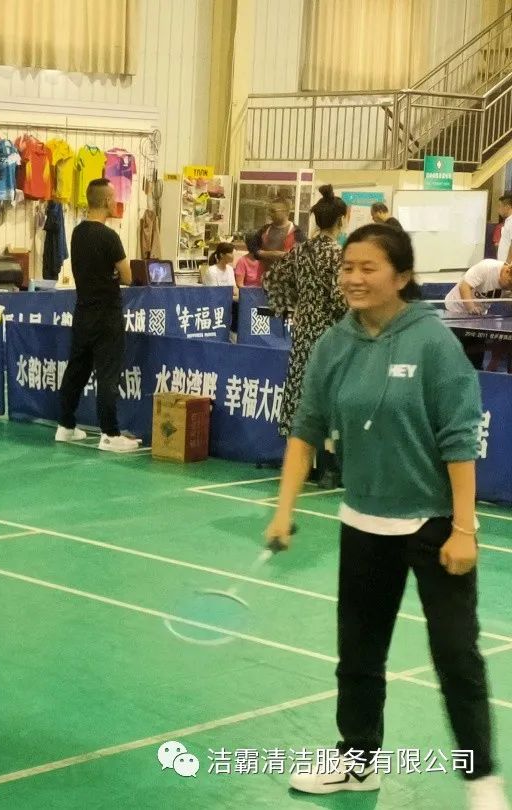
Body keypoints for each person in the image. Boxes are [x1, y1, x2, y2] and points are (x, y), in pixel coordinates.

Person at [266, 223, 507, 810]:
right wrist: (283, 510)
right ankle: (358, 764)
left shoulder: (433, 343)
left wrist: (465, 529)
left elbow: (459, 439)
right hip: (363, 522)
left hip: (433, 526)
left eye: (368, 267)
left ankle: (481, 780)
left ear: (402, 277)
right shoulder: (334, 345)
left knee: (456, 655)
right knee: (358, 655)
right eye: (347, 267)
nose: (353, 278)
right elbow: (305, 430)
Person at [264, 185, 348, 489]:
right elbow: (340, 300)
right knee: (331, 399)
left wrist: (291, 306)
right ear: (341, 220)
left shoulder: (300, 251)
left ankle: (300, 466)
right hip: (331, 337)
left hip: (303, 336)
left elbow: (271, 278)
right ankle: (330, 469)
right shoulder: (339, 255)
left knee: (302, 398)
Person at [55, 179, 141, 452]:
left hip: (83, 312)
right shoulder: (109, 237)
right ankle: (110, 434)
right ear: (106, 201)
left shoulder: (78, 232)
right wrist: (113, 272)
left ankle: (65, 426)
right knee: (107, 374)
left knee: (77, 370)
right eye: (114, 197)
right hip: (106, 316)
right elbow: (128, 276)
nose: (116, 201)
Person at [443, 258, 512, 370]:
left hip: (478, 318)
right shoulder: (486, 267)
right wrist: (471, 307)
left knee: (475, 360)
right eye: (510, 283)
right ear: (507, 271)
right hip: (455, 311)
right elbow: (464, 286)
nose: (509, 288)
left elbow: (508, 301)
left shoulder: (509, 285)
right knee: (453, 356)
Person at [256, 197, 306, 281]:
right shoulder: (264, 229)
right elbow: (253, 247)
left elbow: (304, 256)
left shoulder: (297, 232)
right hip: (264, 277)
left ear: (285, 212)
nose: (270, 214)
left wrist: (286, 255)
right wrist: (266, 253)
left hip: (286, 279)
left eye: (273, 211)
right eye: (269, 211)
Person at [496, 192, 512, 264]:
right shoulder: (508, 221)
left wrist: (507, 263)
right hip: (503, 263)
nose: (498, 210)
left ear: (507, 207)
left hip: (507, 265)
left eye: (500, 206)